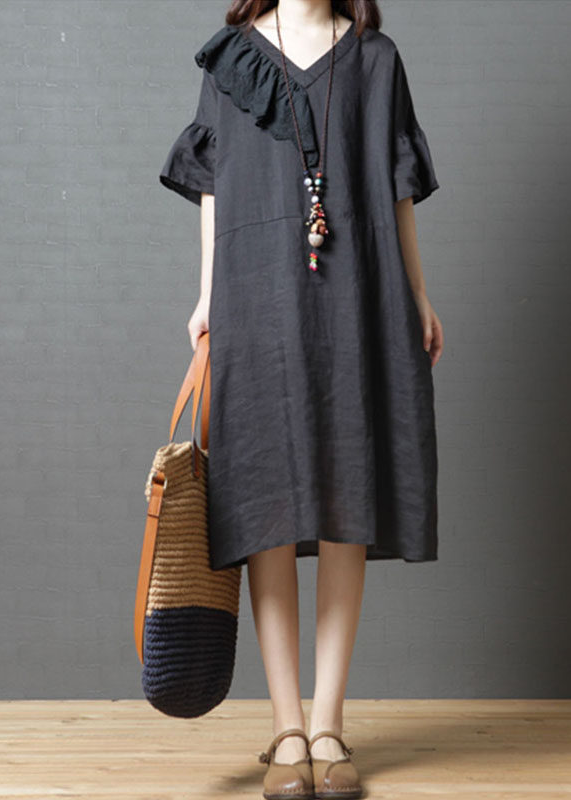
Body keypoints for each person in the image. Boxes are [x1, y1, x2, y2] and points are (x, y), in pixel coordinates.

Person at [159, 1, 444, 797]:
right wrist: (208, 295)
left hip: (359, 294)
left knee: (348, 497)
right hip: (255, 294)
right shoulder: (231, 57)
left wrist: (419, 293)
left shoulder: (377, 60)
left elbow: (398, 188)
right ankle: (287, 727)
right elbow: (214, 183)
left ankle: (328, 724)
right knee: (267, 506)